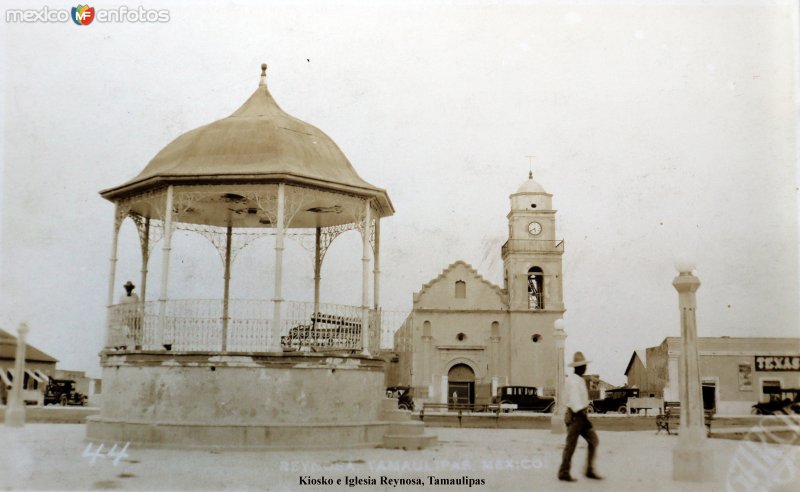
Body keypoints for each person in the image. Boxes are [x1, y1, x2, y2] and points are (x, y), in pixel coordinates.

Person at [558, 351, 602, 482]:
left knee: (593, 441)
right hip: (576, 416)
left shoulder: (579, 380)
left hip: (579, 415)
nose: (586, 367)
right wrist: (585, 420)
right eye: (583, 366)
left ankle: (589, 470)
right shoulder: (573, 381)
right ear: (578, 367)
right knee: (571, 445)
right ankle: (564, 472)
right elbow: (575, 402)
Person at [119, 281, 142, 349]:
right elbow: (120, 306)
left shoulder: (135, 296)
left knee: (135, 330)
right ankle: (124, 345)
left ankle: (136, 344)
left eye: (130, 288)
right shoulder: (122, 297)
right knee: (125, 330)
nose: (129, 289)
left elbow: (138, 305)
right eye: (127, 288)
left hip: (134, 315)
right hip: (126, 315)